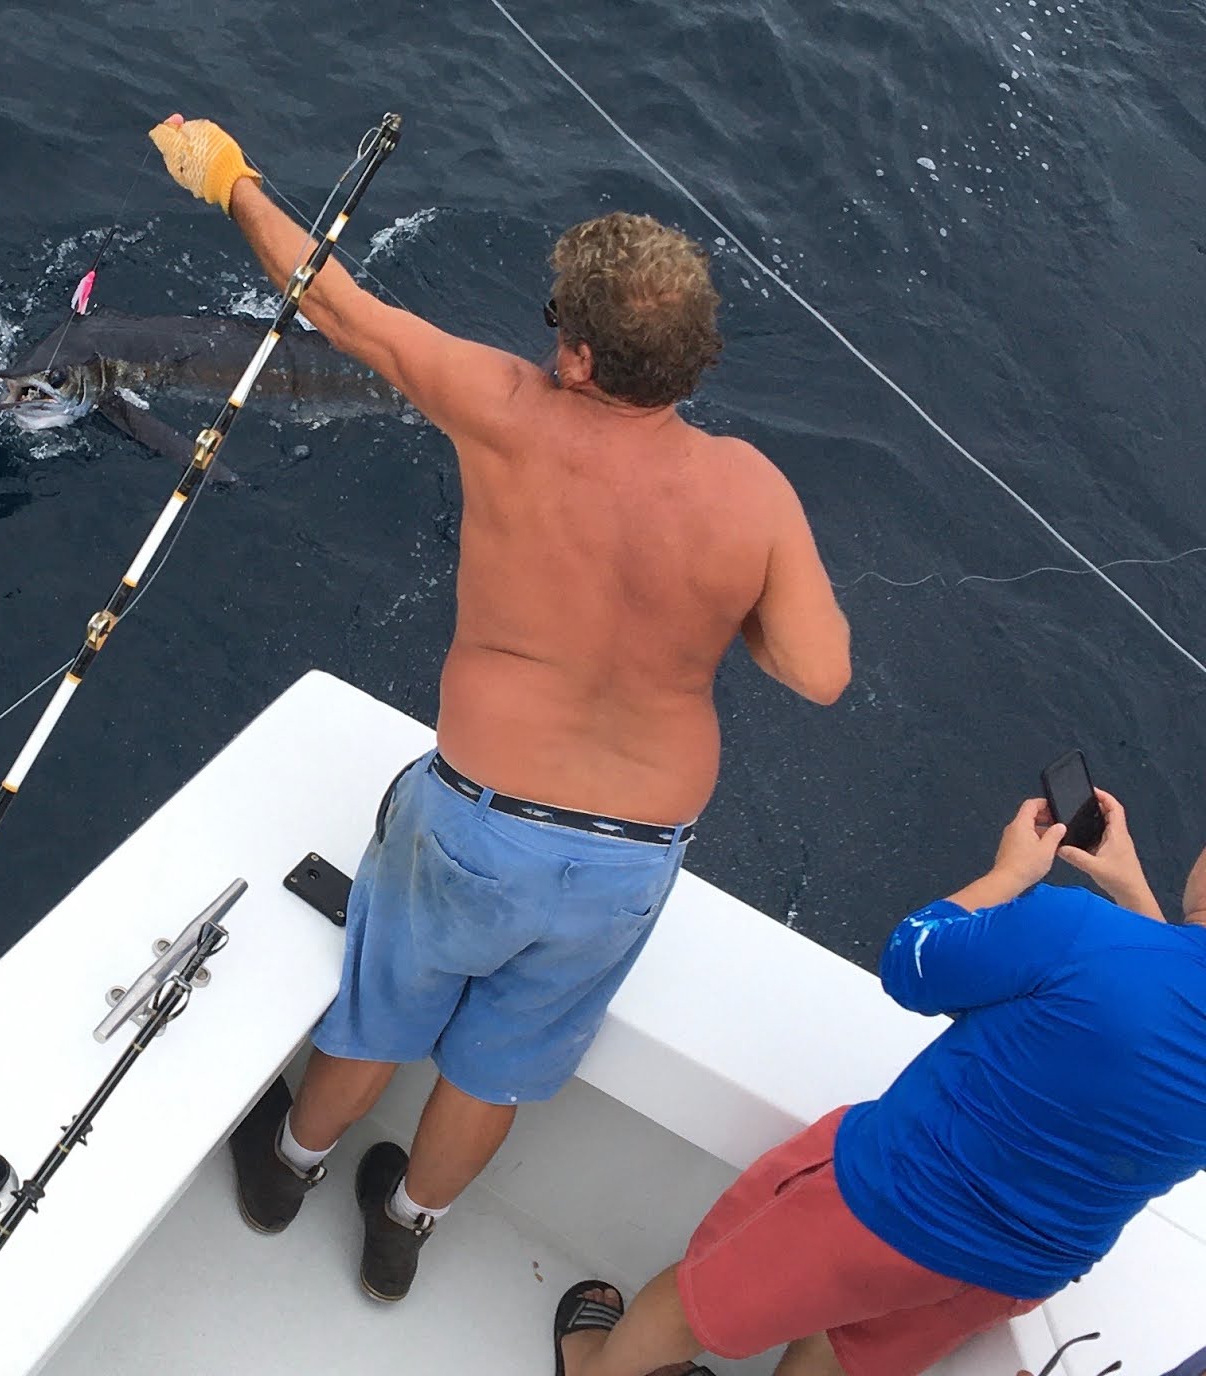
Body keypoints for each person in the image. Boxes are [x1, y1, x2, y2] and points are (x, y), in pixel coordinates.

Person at [145, 115, 852, 1299]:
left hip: (476, 826)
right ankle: (403, 1227)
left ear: (576, 358)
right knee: (500, 1066)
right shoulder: (752, 492)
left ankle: (284, 1169)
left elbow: (335, 302)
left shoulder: (505, 408)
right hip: (628, 862)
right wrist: (707, 595)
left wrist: (229, 180)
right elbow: (817, 669)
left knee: (378, 1015)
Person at [555, 789, 1206, 1376]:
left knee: (696, 1304)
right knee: (847, 1356)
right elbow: (1167, 1005)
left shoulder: (1081, 931)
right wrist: (1133, 891)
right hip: (1016, 1269)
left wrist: (1012, 874)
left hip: (892, 1201)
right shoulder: (1122, 943)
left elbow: (914, 961)